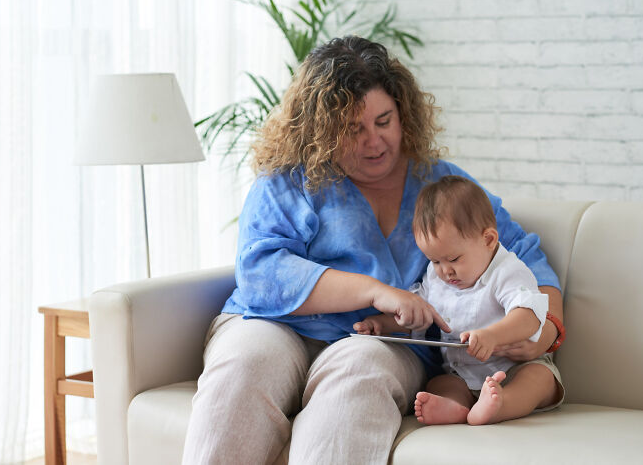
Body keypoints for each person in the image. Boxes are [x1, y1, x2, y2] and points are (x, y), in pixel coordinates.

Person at [181, 36, 565, 464]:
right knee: (245, 365)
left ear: (404, 115)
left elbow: (525, 256)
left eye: (384, 121)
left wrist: (544, 332)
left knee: (358, 371)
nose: (373, 142)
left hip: (385, 344)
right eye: (351, 129)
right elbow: (259, 271)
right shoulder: (287, 181)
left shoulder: (440, 186)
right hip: (270, 323)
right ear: (320, 131)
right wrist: (374, 291)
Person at [354, 176, 564, 426]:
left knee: (539, 379)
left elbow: (529, 315)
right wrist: (384, 324)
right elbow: (424, 313)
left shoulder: (507, 271)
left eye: (453, 259)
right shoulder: (438, 276)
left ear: (488, 240)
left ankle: (501, 405)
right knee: (440, 384)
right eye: (435, 261)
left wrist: (493, 336)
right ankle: (455, 407)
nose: (445, 271)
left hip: (514, 368)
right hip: (461, 374)